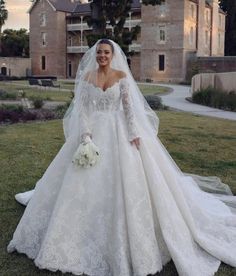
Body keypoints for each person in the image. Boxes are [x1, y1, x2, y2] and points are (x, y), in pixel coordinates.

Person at [7, 39, 236, 276]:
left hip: (119, 134)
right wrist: (85, 136)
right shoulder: (87, 78)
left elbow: (128, 108)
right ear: (95, 55)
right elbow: (83, 110)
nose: (102, 56)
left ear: (113, 54)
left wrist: (134, 134)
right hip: (93, 132)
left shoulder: (121, 77)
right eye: (99, 53)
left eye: (106, 52)